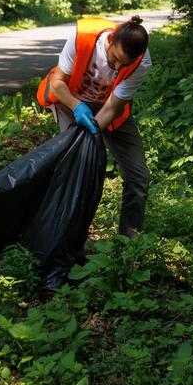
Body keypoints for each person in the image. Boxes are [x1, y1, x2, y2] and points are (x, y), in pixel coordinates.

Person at [36, 15, 152, 238]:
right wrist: (77, 107)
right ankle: (68, 240)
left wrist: (92, 131)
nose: (117, 67)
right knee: (76, 170)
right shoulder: (83, 37)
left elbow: (112, 107)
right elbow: (58, 82)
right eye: (115, 58)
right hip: (71, 100)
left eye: (124, 64)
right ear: (110, 40)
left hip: (111, 109)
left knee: (138, 176)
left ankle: (129, 244)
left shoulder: (142, 62)